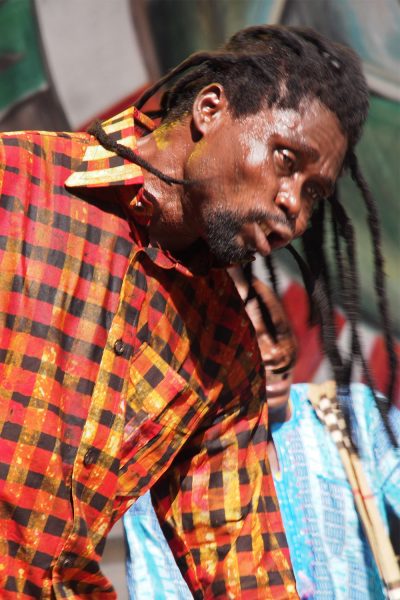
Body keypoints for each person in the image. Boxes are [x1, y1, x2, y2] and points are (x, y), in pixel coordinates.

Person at [0, 23, 390, 599]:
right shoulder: (17, 185)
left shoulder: (225, 352)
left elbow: (243, 561)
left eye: (313, 193)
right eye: (286, 159)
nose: (294, 205)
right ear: (211, 110)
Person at [125, 276, 400, 599]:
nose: (271, 353)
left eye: (278, 332)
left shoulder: (352, 416)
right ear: (203, 360)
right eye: (249, 341)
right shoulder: (164, 471)